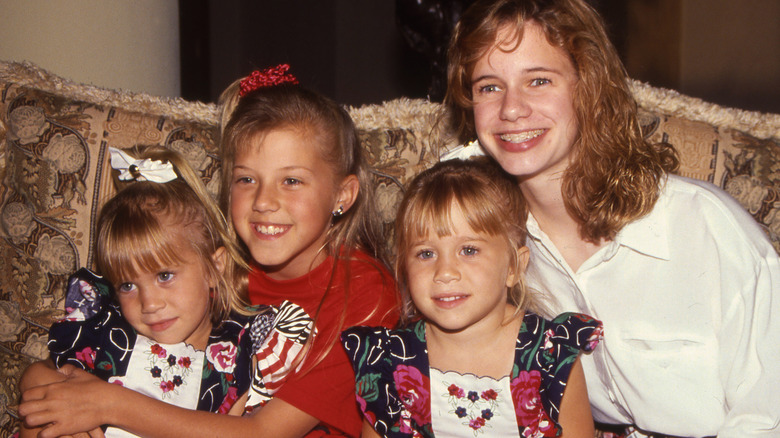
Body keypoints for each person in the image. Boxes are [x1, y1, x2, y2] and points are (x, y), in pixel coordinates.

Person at [444, 0, 780, 436]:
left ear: (589, 87)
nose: (511, 109)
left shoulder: (705, 227)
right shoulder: (490, 247)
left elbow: (767, 416)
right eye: (489, 87)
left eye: (538, 80)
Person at [20, 65, 399, 438]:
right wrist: (59, 399)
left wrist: (104, 404)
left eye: (291, 180)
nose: (264, 201)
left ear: (342, 195)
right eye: (247, 179)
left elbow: (262, 434)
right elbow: (82, 344)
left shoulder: (365, 293)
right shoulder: (213, 265)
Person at [342, 158, 603, 438]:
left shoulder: (551, 355)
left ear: (513, 267)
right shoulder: (387, 360)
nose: (444, 272)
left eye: (468, 250)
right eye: (425, 254)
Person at [18, 146, 265, 437]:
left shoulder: (235, 356)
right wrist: (40, 393)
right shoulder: (104, 331)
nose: (148, 303)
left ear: (214, 268)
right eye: (128, 285)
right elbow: (39, 376)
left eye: (164, 276)